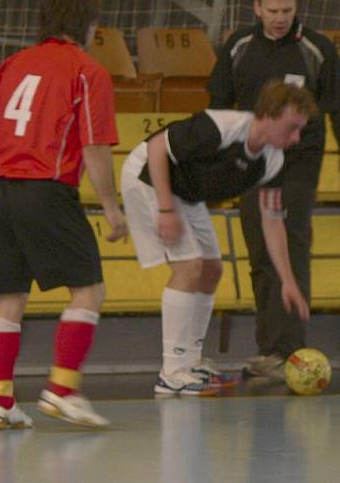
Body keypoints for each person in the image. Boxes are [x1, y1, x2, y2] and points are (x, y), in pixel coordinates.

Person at [0, 0, 127, 429]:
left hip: (0, 188)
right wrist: (111, 209)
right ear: (87, 25)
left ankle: (1, 401)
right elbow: (95, 146)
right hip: (45, 187)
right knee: (88, 289)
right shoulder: (87, 70)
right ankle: (62, 389)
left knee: (10, 296)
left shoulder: (14, 64)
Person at [207, 0, 340, 381]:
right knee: (260, 254)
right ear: (257, 9)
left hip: (297, 165)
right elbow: (217, 107)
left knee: (289, 250)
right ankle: (269, 350)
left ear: (297, 7)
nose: (280, 18)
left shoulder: (317, 49)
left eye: (287, 10)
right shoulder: (238, 46)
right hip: (251, 163)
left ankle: (289, 349)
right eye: (272, 10)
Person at [121, 81, 315, 395]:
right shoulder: (220, 127)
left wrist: (288, 280)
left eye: (300, 131)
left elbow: (273, 221)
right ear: (268, 115)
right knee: (190, 267)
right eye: (292, 128)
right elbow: (158, 147)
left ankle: (191, 362)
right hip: (147, 175)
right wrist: (166, 209)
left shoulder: (273, 161)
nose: (295, 138)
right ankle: (172, 371)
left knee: (212, 269)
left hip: (187, 193)